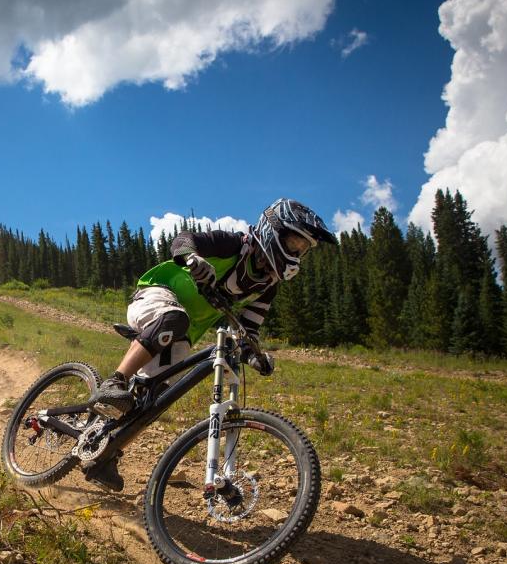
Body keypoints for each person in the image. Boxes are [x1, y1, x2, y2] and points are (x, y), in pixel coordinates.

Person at [85, 198, 337, 490]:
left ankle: (105, 454)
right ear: (274, 232)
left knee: (153, 399)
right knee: (174, 319)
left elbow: (248, 329)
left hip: (184, 332)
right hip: (157, 296)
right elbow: (182, 240)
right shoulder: (235, 245)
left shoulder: (268, 285)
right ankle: (115, 382)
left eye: (303, 250)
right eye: (295, 244)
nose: (297, 254)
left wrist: (255, 356)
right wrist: (192, 259)